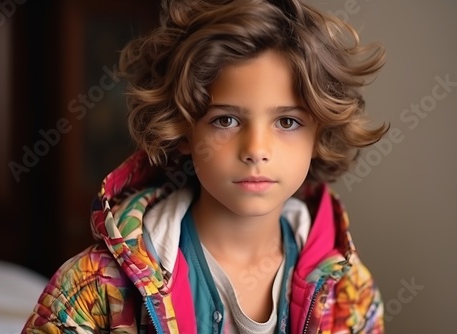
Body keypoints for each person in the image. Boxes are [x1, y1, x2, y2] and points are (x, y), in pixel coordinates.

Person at [22, 0, 388, 333]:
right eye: (226, 121)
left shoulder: (349, 293)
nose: (256, 150)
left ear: (318, 135)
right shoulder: (93, 287)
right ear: (183, 130)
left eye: (287, 122)